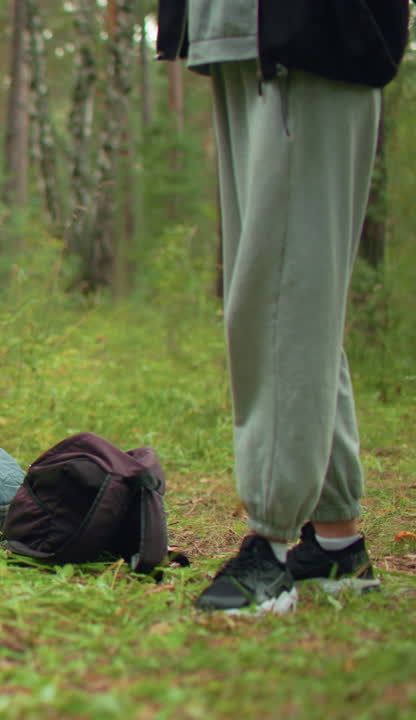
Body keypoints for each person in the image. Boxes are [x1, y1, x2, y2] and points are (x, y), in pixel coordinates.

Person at [156, 0, 409, 613]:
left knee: (276, 304)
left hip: (313, 36)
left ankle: (270, 546)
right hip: (235, 41)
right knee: (295, 302)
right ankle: (335, 542)